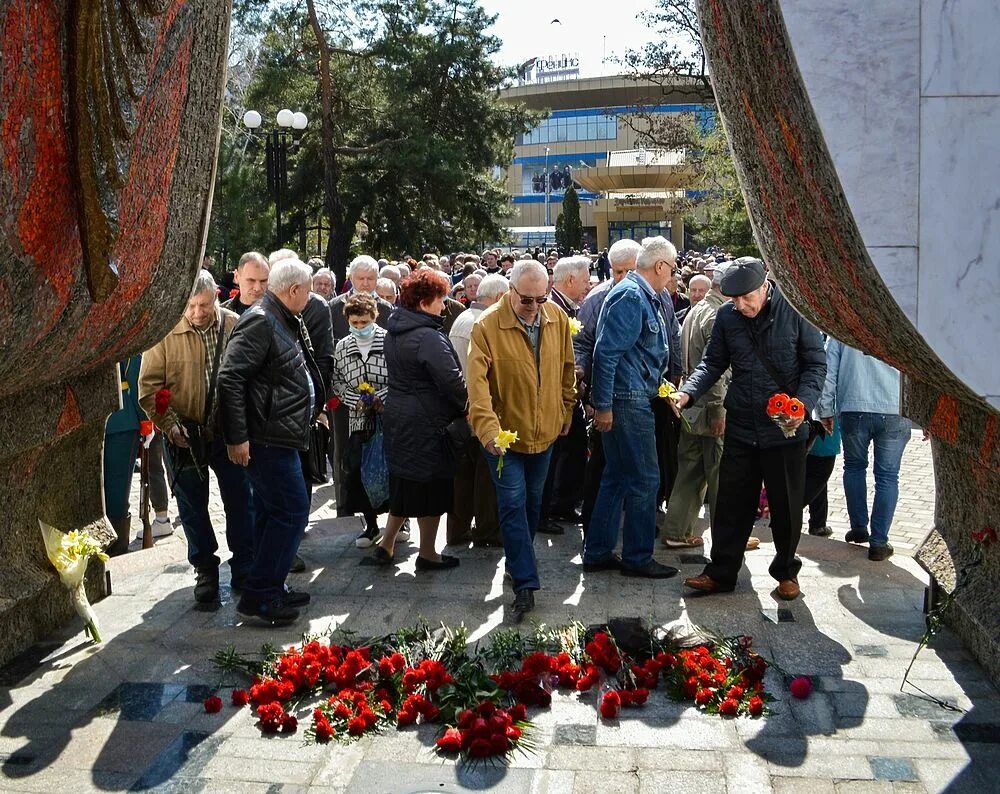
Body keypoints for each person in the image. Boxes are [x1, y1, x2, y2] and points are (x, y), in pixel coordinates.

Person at [674, 257, 826, 600]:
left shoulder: (796, 310)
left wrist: (801, 405)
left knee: (786, 506)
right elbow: (713, 362)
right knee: (729, 504)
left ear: (765, 284)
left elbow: (815, 365)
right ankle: (722, 572)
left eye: (747, 297)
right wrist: (688, 392)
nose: (741, 305)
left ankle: (786, 572)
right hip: (742, 424)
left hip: (784, 428)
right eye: (734, 299)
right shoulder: (728, 317)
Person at [217, 258, 326, 625]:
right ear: (293, 290)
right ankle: (261, 595)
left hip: (280, 434)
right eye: (308, 291)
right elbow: (230, 378)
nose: (310, 298)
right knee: (292, 510)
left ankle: (269, 588)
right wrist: (238, 437)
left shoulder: (279, 315)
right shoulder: (262, 319)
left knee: (271, 512)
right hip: (266, 437)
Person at [467, 260, 577, 619]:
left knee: (532, 504)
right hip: (503, 437)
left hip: (544, 432)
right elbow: (477, 387)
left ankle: (518, 559)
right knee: (513, 503)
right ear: (509, 292)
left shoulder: (556, 318)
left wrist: (565, 410)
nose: (533, 307)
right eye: (526, 299)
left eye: (540, 299)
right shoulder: (486, 326)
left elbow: (566, 369)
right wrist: (486, 430)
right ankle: (526, 584)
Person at [138, 270, 253, 603]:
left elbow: (250, 376)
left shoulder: (233, 324)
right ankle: (205, 569)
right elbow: (149, 390)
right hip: (184, 434)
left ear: (216, 297)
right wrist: (170, 425)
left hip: (229, 431)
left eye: (204, 305)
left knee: (240, 501)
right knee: (191, 506)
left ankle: (245, 566)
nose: (198, 313)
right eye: (191, 306)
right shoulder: (165, 331)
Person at [584, 237, 680, 580]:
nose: (673, 274)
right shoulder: (631, 295)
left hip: (632, 397)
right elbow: (605, 353)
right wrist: (604, 406)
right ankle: (638, 558)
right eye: (672, 267)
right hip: (627, 401)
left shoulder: (640, 294)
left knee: (618, 477)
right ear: (660, 266)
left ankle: (597, 551)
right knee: (644, 479)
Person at [374, 269, 468, 570]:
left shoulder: (395, 330)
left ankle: (387, 543)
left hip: (400, 417)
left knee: (404, 483)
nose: (445, 305)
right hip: (429, 423)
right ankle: (428, 553)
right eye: (441, 299)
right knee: (433, 488)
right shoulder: (428, 336)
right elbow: (452, 383)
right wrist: (469, 406)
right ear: (426, 301)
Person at [818, 338, 910, 561]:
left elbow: (829, 367)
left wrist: (825, 408)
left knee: (854, 467)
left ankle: (859, 526)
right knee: (888, 476)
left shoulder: (846, 320)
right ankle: (879, 541)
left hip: (854, 405)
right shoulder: (904, 320)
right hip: (894, 406)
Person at [661, 264, 731, 548]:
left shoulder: (699, 309)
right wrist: (718, 408)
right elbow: (716, 367)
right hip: (708, 405)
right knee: (719, 472)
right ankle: (728, 537)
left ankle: (677, 531)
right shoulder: (715, 315)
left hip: (691, 402)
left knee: (691, 470)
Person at [576, 238, 641, 534]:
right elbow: (586, 348)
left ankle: (639, 522)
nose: (621, 279)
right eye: (616, 272)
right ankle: (595, 527)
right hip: (608, 397)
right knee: (603, 466)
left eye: (628, 271)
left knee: (640, 469)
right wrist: (591, 397)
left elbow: (669, 340)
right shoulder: (597, 299)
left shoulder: (656, 294)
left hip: (643, 396)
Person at [446, 274, 509, 546]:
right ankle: (486, 529)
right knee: (484, 475)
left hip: (466, 410)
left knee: (465, 477)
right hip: (477, 412)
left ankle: (460, 530)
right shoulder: (479, 323)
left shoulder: (466, 318)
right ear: (498, 298)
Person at [538, 255, 591, 534]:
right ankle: (545, 511)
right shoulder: (550, 308)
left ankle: (561, 505)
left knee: (572, 449)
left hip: (569, 393)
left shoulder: (568, 306)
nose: (588, 285)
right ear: (570, 280)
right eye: (585, 280)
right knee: (554, 454)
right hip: (556, 397)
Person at [331, 294, 390, 548]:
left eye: (364, 322)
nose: (359, 328)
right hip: (359, 418)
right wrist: (354, 397)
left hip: (388, 417)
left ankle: (400, 520)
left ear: (374, 318)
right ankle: (371, 524)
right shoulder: (343, 346)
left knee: (391, 468)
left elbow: (401, 375)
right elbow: (337, 380)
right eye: (354, 323)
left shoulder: (389, 341)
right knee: (360, 469)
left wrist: (382, 397)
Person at [222, 252, 269, 316]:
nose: (257, 288)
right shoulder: (222, 314)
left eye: (263, 281)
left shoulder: (278, 315)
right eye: (251, 280)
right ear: (236, 277)